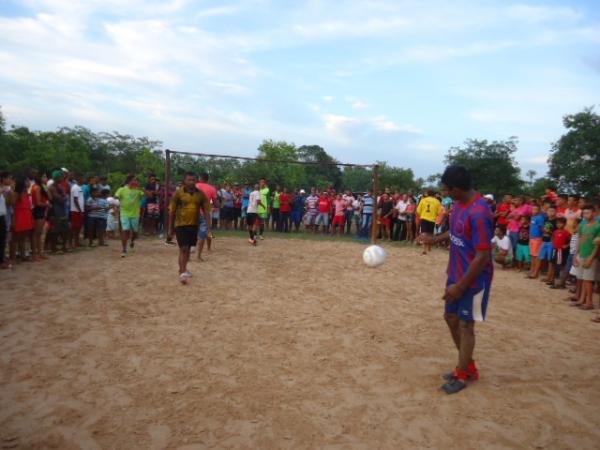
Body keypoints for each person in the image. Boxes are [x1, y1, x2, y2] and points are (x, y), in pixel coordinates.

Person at [420, 165, 494, 394]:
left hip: (474, 280)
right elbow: (455, 235)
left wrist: (461, 286)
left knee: (466, 325)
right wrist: (433, 239)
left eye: (447, 189)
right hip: (455, 273)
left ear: (458, 188)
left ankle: (463, 374)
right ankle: (468, 366)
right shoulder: (460, 206)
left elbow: (483, 255)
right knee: (450, 317)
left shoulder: (480, 213)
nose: (445, 192)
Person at [168, 173, 210, 284]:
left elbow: (206, 211)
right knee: (184, 248)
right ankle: (182, 273)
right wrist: (170, 229)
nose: (191, 182)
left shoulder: (200, 194)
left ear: (196, 181)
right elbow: (172, 211)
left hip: (194, 225)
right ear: (185, 180)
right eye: (189, 180)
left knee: (188, 249)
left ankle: (183, 268)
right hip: (180, 224)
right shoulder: (178, 193)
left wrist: (209, 228)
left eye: (193, 180)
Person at [571, 205, 600, 310]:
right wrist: (575, 255)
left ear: (594, 213)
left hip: (590, 256)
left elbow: (597, 245)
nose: (585, 215)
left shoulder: (598, 226)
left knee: (588, 280)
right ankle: (582, 300)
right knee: (582, 278)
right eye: (584, 213)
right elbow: (580, 240)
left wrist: (591, 258)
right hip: (581, 254)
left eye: (588, 213)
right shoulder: (583, 226)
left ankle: (589, 302)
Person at [115, 174, 144, 258]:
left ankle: (132, 241)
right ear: (129, 181)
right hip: (124, 213)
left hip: (135, 214)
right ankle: (124, 249)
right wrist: (117, 201)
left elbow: (148, 196)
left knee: (135, 231)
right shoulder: (122, 189)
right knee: (125, 230)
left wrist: (141, 188)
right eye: (134, 180)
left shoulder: (138, 190)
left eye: (136, 180)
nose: (136, 182)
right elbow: (116, 196)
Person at [196, 172, 219, 261]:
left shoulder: (194, 186)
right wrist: (219, 204)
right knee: (206, 231)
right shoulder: (212, 188)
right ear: (207, 179)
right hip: (205, 212)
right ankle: (199, 255)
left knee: (191, 231)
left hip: (192, 211)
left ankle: (189, 253)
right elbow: (215, 203)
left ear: (200, 178)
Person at [47, 170, 70, 254]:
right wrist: (63, 198)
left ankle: (64, 246)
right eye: (61, 176)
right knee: (55, 229)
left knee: (65, 229)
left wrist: (63, 198)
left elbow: (64, 197)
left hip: (61, 209)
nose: (62, 178)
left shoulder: (59, 186)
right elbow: (58, 198)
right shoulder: (52, 187)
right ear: (57, 177)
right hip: (55, 210)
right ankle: (53, 248)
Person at [12, 177, 34, 262]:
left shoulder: (25, 192)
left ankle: (22, 255)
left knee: (24, 237)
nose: (29, 182)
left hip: (26, 214)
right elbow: (13, 206)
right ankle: (14, 256)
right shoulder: (17, 193)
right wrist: (14, 219)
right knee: (16, 237)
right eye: (27, 181)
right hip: (19, 215)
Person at [547, 217, 571, 287]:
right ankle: (552, 280)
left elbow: (571, 240)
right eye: (557, 223)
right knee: (553, 264)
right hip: (555, 250)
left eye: (561, 223)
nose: (559, 225)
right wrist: (553, 243)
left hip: (561, 251)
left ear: (564, 224)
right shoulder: (555, 231)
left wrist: (566, 245)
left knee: (560, 266)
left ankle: (560, 282)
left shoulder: (566, 232)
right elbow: (553, 237)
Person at [30, 172, 49, 261]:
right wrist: (46, 205)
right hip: (38, 211)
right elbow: (38, 202)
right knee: (36, 234)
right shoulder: (37, 187)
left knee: (39, 233)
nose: (45, 178)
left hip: (40, 211)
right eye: (44, 176)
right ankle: (35, 253)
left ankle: (39, 252)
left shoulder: (38, 187)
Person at [416, 190, 441, 255]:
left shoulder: (423, 200)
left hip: (424, 218)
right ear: (434, 194)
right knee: (430, 233)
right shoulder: (437, 201)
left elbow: (418, 211)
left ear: (428, 194)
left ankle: (424, 249)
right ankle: (429, 247)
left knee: (424, 233)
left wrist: (422, 214)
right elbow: (439, 212)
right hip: (432, 219)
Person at [537, 206, 557, 282]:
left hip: (551, 242)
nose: (550, 212)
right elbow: (543, 229)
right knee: (542, 258)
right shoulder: (546, 219)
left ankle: (550, 277)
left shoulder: (556, 221)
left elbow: (556, 233)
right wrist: (543, 230)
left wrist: (549, 232)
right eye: (549, 211)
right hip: (544, 240)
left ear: (555, 212)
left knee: (550, 261)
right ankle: (545, 275)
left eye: (552, 211)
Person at [527, 204, 545, 279]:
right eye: (533, 209)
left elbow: (542, 228)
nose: (534, 211)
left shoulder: (540, 218)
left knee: (536, 256)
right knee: (532, 256)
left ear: (539, 210)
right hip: (532, 238)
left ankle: (536, 273)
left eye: (536, 209)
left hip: (537, 238)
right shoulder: (533, 217)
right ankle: (532, 271)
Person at [0, 172, 14, 269]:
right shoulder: (2, 189)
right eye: (8, 178)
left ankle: (2, 259)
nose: (10, 180)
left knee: (3, 239)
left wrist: (9, 193)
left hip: (2, 216)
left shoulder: (6, 190)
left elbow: (9, 203)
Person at [69, 174, 85, 249]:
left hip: (79, 210)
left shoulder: (80, 187)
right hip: (75, 210)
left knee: (78, 227)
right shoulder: (75, 188)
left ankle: (76, 242)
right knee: (74, 227)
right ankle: (71, 243)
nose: (84, 180)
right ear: (79, 179)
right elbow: (75, 200)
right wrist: (80, 211)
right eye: (83, 179)